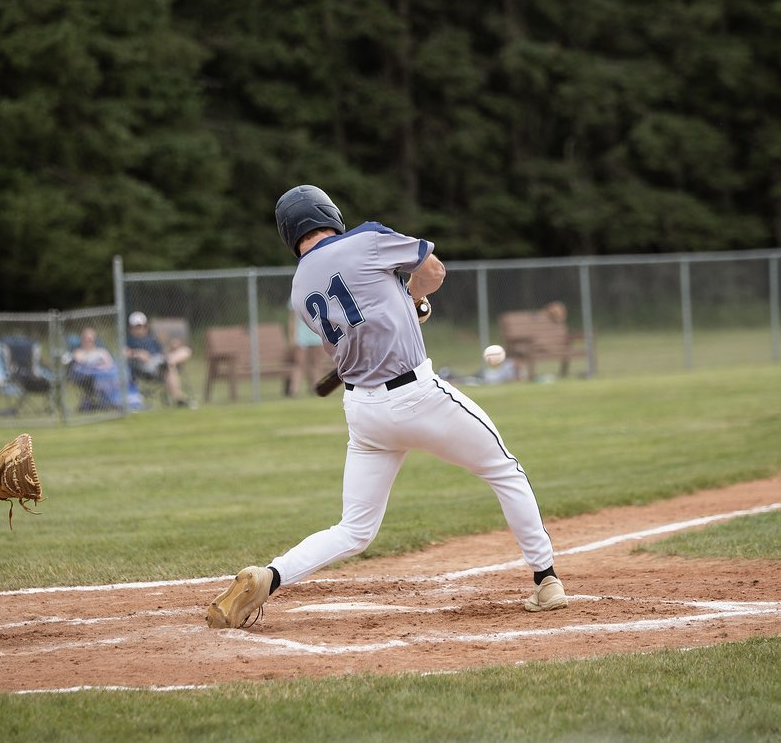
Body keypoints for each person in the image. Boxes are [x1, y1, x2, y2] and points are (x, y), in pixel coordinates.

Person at [206, 185, 567, 629]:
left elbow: (363, 320)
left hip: (365, 413)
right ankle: (546, 579)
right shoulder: (367, 238)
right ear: (329, 214)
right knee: (504, 470)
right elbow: (432, 270)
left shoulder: (299, 289)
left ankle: (270, 575)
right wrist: (413, 296)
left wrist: (405, 305)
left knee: (354, 529)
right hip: (418, 396)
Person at [124, 312, 192, 407]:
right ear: (131, 328)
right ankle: (178, 398)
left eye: (143, 326)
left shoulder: (152, 339)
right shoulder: (129, 340)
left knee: (185, 350)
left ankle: (168, 362)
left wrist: (172, 348)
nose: (141, 329)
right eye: (138, 327)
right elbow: (123, 353)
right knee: (169, 367)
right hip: (147, 366)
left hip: (160, 360)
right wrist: (137, 353)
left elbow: (163, 352)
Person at [285, 300, 325, 396]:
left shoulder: (319, 295)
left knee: (315, 364)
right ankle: (293, 390)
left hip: (316, 335)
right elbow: (291, 320)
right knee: (299, 363)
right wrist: (291, 338)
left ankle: (315, 389)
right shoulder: (294, 298)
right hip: (301, 337)